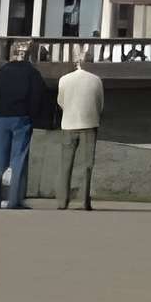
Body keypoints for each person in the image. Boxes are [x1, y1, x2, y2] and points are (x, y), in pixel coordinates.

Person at [0, 41, 56, 209]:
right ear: (29, 55)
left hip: (1, 117)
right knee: (18, 160)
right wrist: (33, 115)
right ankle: (14, 200)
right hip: (22, 118)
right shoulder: (32, 73)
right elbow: (38, 97)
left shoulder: (2, 71)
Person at [53, 58, 105, 209]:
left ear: (76, 64)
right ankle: (84, 201)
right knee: (87, 164)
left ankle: (63, 201)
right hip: (90, 123)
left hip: (68, 124)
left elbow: (60, 101)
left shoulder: (64, 79)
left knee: (65, 164)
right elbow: (100, 104)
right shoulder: (96, 80)